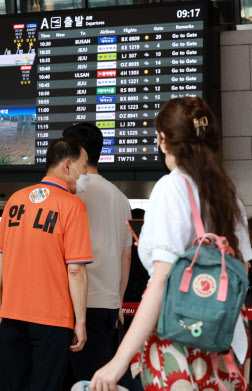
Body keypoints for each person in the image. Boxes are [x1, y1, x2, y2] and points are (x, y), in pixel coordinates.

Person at [90, 97, 252, 391]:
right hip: (227, 345)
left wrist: (119, 361)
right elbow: (242, 270)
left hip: (180, 345)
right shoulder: (230, 196)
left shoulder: (172, 187)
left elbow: (162, 281)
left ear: (164, 140)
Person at [0, 137, 93, 390]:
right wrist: (81, 321)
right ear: (68, 166)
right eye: (85, 166)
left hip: (12, 316)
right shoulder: (72, 206)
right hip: (53, 320)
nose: (87, 173)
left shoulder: (15, 200)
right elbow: (76, 270)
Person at [63, 122, 132, 382]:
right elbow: (126, 256)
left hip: (78, 304)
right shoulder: (121, 198)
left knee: (77, 381)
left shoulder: (73, 192)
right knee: (98, 379)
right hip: (108, 305)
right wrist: (118, 302)